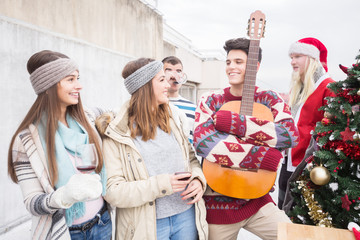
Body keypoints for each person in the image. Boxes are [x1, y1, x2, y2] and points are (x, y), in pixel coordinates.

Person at [193, 38, 299, 240]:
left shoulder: (270, 99)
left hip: (258, 200)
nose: (231, 67)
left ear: (254, 67)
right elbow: (203, 142)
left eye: (238, 62)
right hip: (218, 204)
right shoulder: (210, 100)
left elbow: (289, 135)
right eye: (228, 62)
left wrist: (234, 123)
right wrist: (263, 157)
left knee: (293, 236)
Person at [95, 58, 208, 239]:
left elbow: (192, 159)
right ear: (144, 86)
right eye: (161, 80)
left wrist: (198, 180)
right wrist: (162, 185)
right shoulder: (117, 131)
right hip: (147, 224)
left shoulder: (175, 117)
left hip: (186, 216)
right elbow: (113, 191)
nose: (168, 84)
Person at [7, 50, 112, 239]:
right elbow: (32, 202)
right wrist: (64, 196)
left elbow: (116, 115)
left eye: (78, 78)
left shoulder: (87, 118)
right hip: (65, 232)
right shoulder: (25, 141)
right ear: (48, 85)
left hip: (102, 223)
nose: (79, 86)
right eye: (70, 79)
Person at [278, 37, 335, 209]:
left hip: (309, 170)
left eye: (297, 57)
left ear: (311, 59)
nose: (292, 62)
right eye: (291, 57)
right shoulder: (299, 89)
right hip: (288, 164)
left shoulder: (328, 87)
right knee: (283, 218)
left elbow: (332, 131)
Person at [162, 56, 197, 144]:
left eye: (178, 71)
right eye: (169, 71)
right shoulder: (153, 105)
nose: (174, 76)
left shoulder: (194, 108)